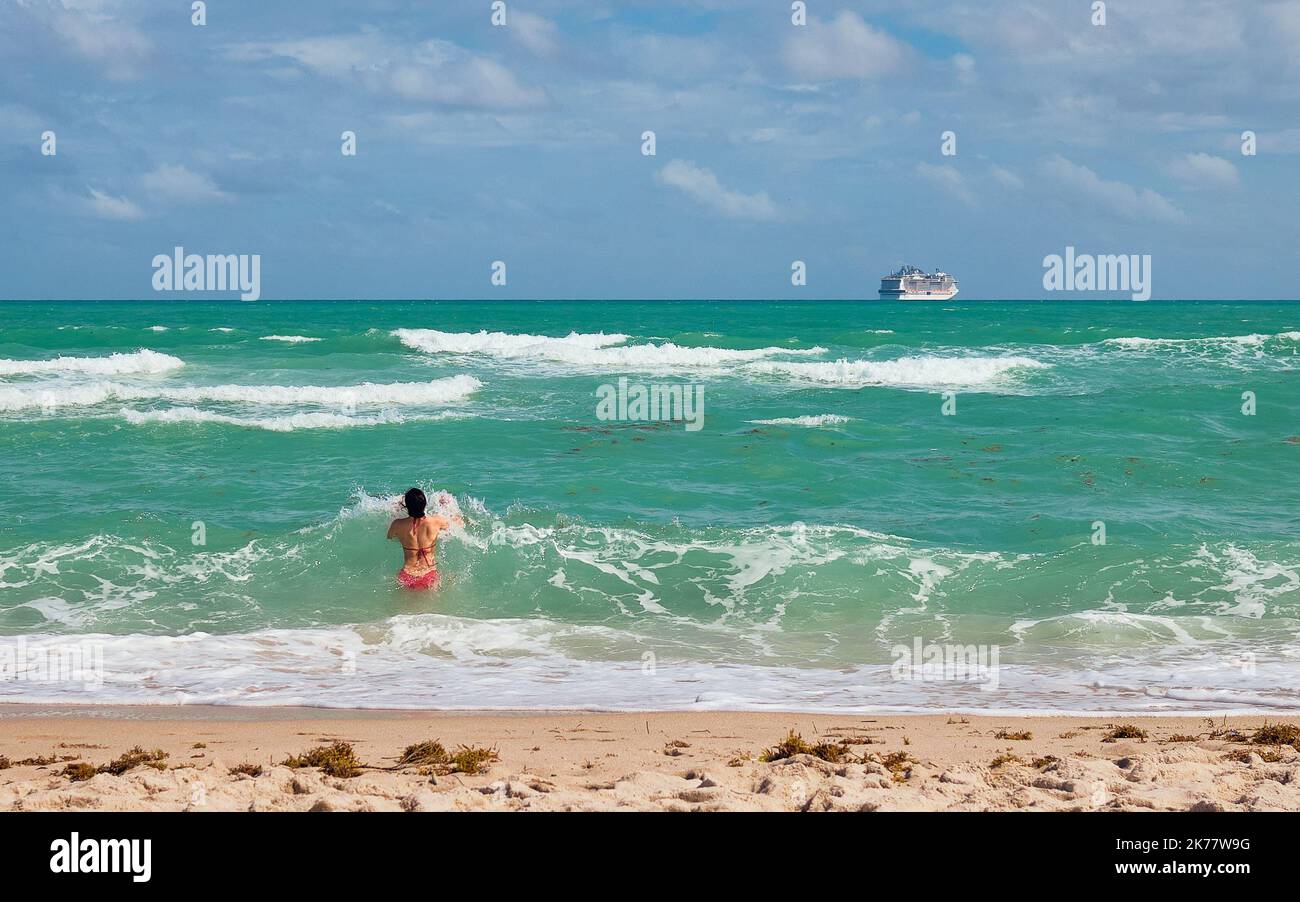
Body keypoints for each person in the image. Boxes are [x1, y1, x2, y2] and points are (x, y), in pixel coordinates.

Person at [387, 488, 459, 590]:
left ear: (406, 506)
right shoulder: (436, 521)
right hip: (429, 574)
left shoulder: (397, 524)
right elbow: (456, 524)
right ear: (424, 504)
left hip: (407, 575)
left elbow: (390, 537)